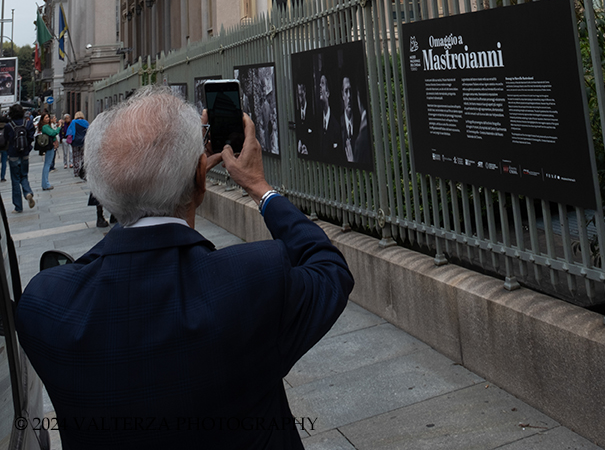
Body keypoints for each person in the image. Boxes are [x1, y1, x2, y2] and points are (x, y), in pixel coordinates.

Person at [16, 85, 353, 449]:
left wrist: (163, 183)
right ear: (200, 178)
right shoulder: (253, 281)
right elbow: (329, 268)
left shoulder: (44, 306)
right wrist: (259, 187)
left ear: (102, 189)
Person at [3, 102, 36, 212]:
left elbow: (5, 140)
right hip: (25, 154)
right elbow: (31, 137)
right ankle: (28, 193)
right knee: (24, 176)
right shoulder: (28, 124)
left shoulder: (9, 126)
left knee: (15, 180)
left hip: (13, 155)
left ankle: (18, 206)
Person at [318, 72, 341, 161]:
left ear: (327, 93)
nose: (319, 86)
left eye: (322, 83)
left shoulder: (337, 126)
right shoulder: (318, 121)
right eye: (320, 83)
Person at [39, 115, 60, 190]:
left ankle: (45, 183)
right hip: (49, 146)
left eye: (48, 117)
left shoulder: (47, 126)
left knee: (47, 164)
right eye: (46, 118)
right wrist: (59, 127)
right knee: (47, 164)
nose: (48, 119)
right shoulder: (45, 127)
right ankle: (46, 184)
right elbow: (53, 133)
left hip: (50, 145)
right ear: (43, 120)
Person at [66, 110, 89, 177]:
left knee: (76, 157)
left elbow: (69, 132)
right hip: (83, 141)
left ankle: (76, 172)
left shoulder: (73, 122)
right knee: (83, 157)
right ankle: (83, 171)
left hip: (75, 142)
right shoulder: (86, 122)